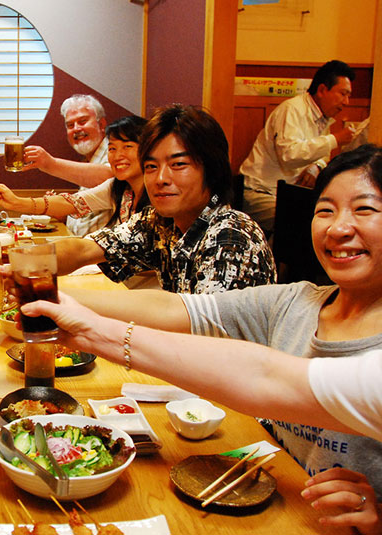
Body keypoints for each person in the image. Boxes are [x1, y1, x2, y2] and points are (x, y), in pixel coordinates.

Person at [29, 144, 382, 534]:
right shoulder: (294, 302)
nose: (338, 228)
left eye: (365, 209)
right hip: (265, 505)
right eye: (325, 210)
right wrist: (55, 298)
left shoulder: (230, 234)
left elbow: (262, 377)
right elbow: (183, 310)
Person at [53, 104, 276, 293]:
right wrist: (25, 266)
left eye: (178, 164)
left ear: (212, 168)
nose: (160, 178)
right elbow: (83, 250)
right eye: (151, 166)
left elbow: (198, 329)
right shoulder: (158, 222)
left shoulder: (231, 238)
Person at [241, 59, 358, 235]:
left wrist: (316, 167)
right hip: (260, 193)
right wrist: (335, 139)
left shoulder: (322, 117)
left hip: (287, 194)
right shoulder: (292, 109)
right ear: (322, 90)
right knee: (304, 223)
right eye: (343, 94)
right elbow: (289, 155)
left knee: (325, 217)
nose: (347, 101)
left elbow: (319, 154)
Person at [0, 115, 150, 229]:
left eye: (127, 147)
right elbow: (72, 203)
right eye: (112, 148)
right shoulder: (118, 187)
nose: (118, 156)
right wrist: (15, 202)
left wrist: (49, 164)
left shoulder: (159, 192)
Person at [22, 94, 115, 235]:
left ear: (101, 124)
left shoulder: (113, 150)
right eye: (70, 125)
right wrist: (63, 213)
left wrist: (49, 164)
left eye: (83, 121)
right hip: (78, 244)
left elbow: (110, 179)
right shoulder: (90, 159)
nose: (76, 129)